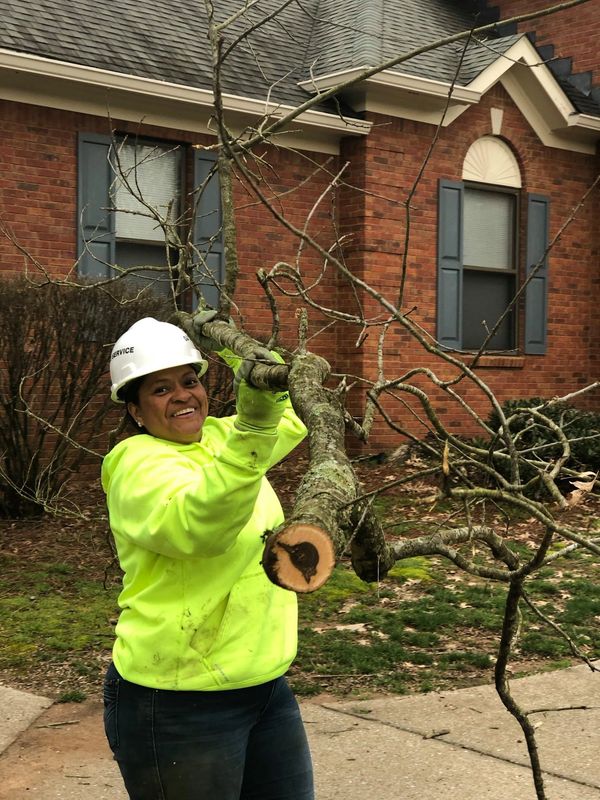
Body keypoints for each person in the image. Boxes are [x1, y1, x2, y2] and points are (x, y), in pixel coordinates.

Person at [101, 317, 314, 800]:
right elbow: (200, 529)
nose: (182, 395)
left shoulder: (222, 438)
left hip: (265, 686)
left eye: (190, 381)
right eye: (160, 388)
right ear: (134, 409)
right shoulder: (135, 464)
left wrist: (249, 358)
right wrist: (252, 431)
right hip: (178, 700)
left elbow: (291, 414)